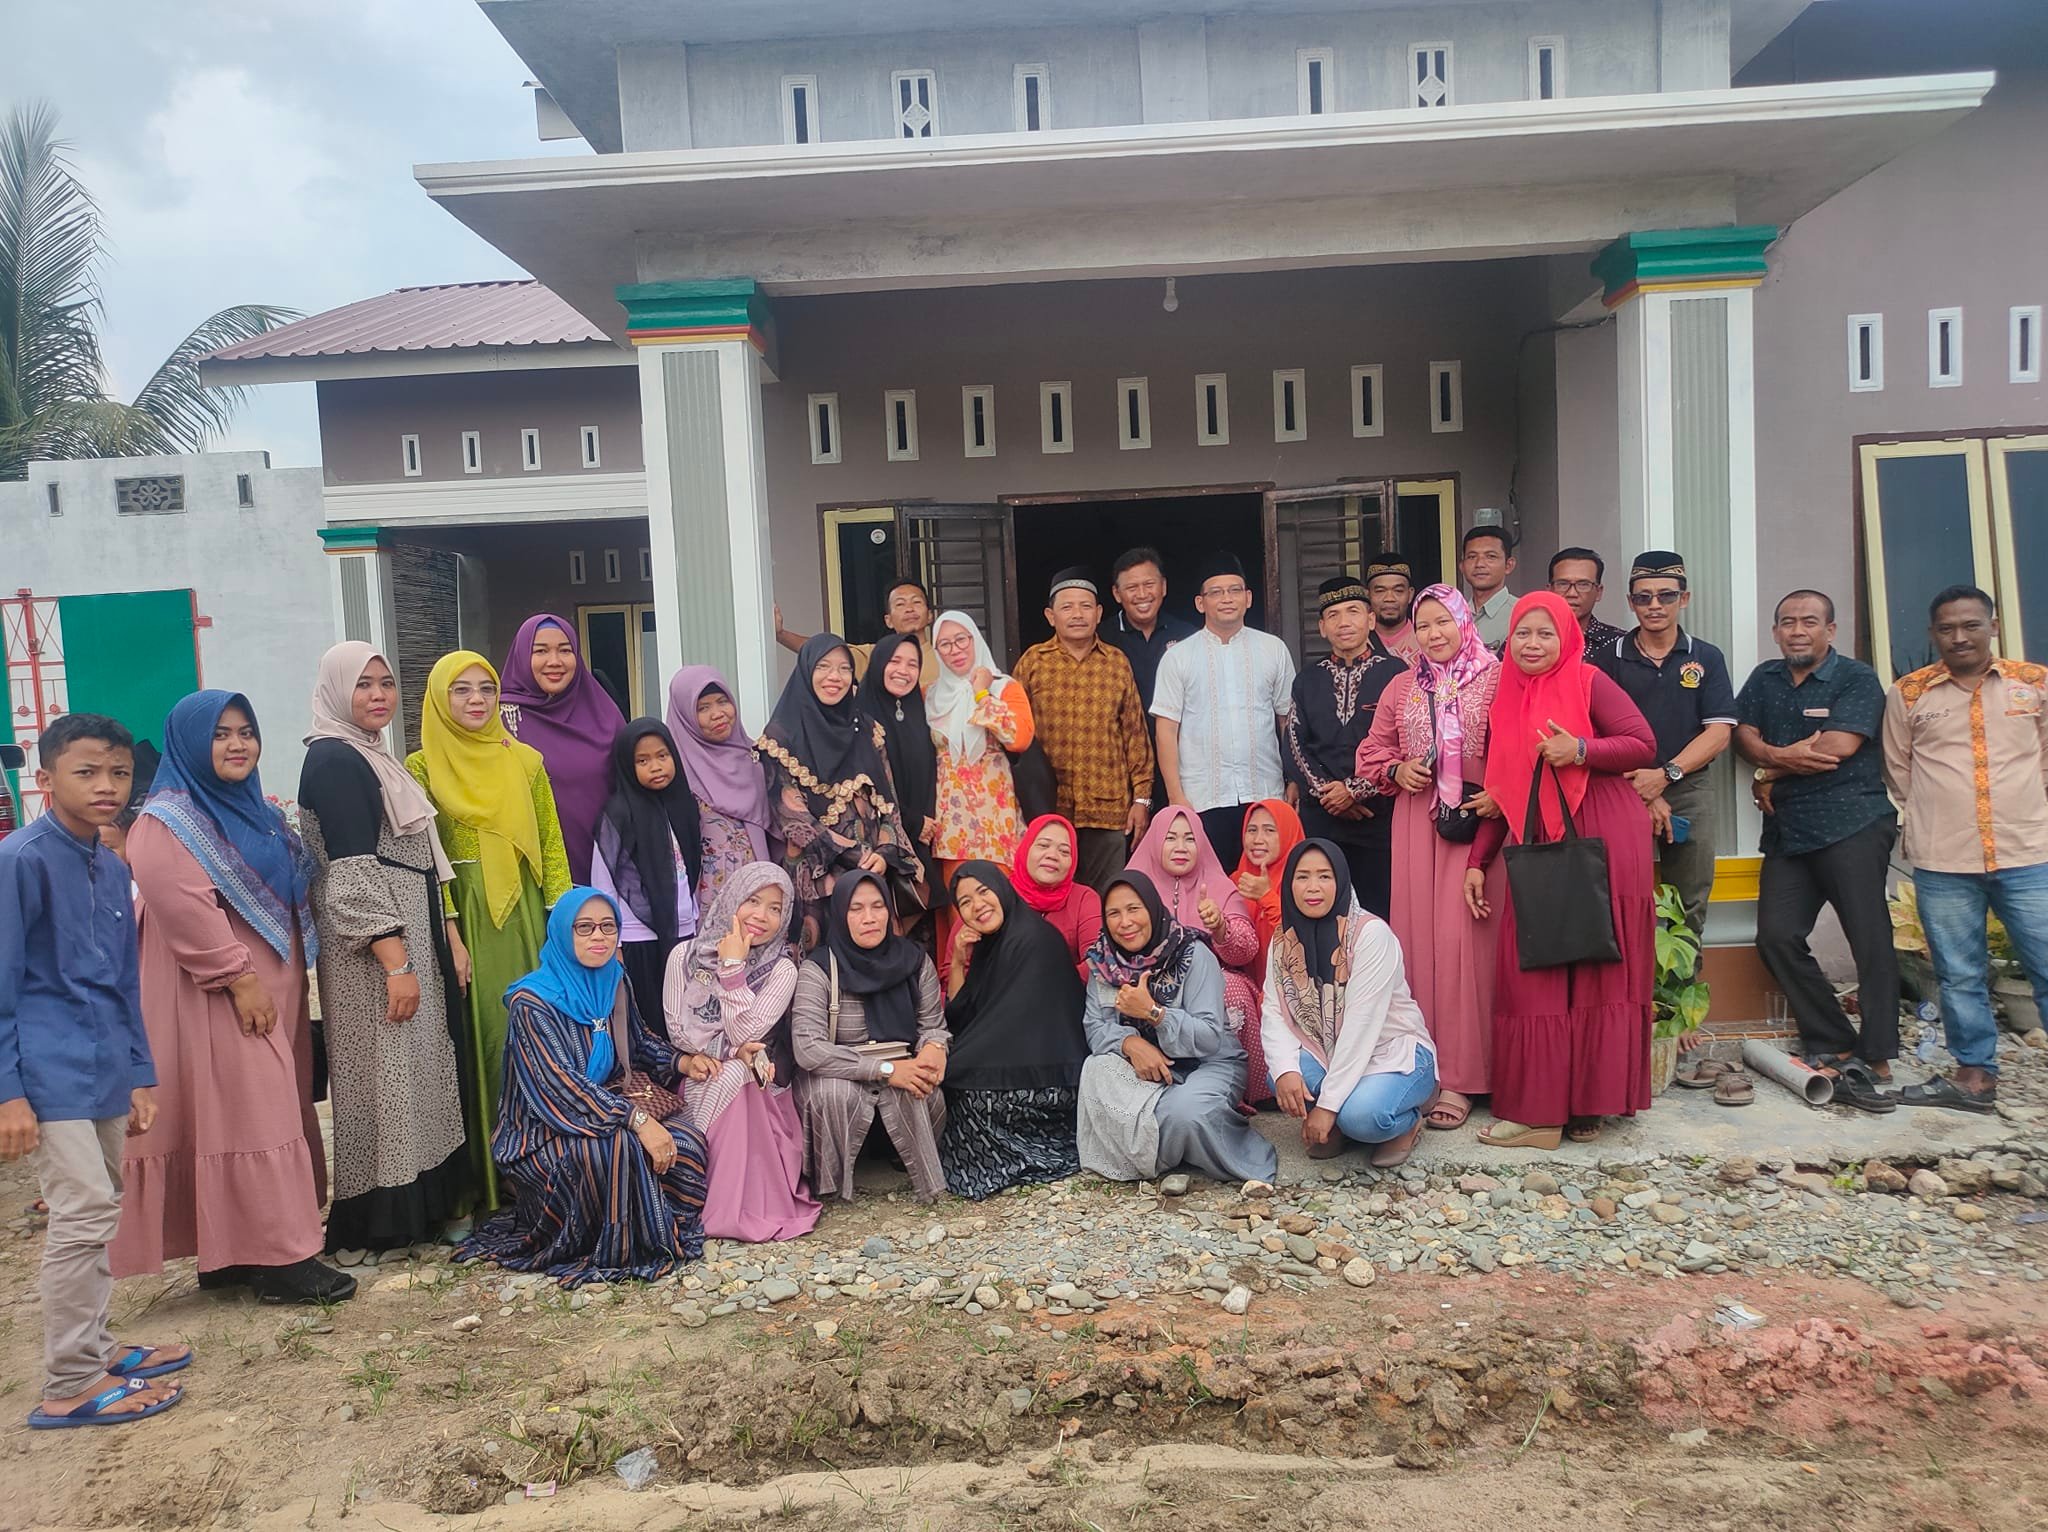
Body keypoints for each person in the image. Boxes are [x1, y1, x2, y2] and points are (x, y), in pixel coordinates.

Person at [111, 691, 352, 1305]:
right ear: (190, 744)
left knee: (239, 1110)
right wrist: (236, 978)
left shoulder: (252, 810)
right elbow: (179, 901)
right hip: (215, 990)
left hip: (265, 986)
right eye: (220, 734)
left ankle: (231, 1252)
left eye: (246, 732)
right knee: (254, 1108)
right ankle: (281, 1258)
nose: (237, 745)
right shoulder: (167, 819)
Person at [1, 712, 189, 1429]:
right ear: (46, 777)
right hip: (46, 1073)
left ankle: (99, 1348)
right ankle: (70, 1382)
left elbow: (121, 981)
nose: (106, 786)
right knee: (80, 1213)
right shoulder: (20, 860)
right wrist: (8, 1093)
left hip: (103, 1065)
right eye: (86, 772)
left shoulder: (111, 864)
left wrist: (139, 1072)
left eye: (119, 773)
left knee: (100, 1207)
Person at [1464, 593, 1659, 1150]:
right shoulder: (1506, 697)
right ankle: (1540, 1114)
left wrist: (1580, 750)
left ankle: (1586, 1106)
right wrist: (1478, 860)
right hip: (1538, 840)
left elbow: (1642, 744)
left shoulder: (1589, 681)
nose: (1532, 644)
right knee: (1536, 975)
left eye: (1545, 633)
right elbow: (1505, 789)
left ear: (1567, 638)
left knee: (1596, 968)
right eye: (1523, 634)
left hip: (1601, 836)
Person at [299, 643, 469, 1252]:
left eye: (386, 683)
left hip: (408, 930)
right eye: (363, 684)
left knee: (415, 1070)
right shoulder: (333, 760)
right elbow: (349, 873)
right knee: (385, 1073)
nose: (378, 695)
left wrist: (446, 935)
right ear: (335, 690)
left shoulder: (373, 756)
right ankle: (380, 1220)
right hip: (373, 951)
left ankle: (422, 1209)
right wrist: (396, 963)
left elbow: (420, 857)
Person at [457, 889, 709, 1285]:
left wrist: (683, 1062)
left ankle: (651, 1222)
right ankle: (618, 1242)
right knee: (615, 1152)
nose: (599, 937)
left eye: (608, 927)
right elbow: (560, 1087)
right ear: (562, 932)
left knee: (687, 1142)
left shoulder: (614, 980)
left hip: (605, 1107)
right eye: (585, 927)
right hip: (544, 1128)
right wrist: (638, 1120)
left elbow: (638, 1040)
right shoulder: (532, 1002)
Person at [409, 651, 572, 1211]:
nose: (476, 699)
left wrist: (562, 929)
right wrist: (450, 930)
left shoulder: (525, 761)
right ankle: (486, 1176)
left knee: (537, 1034)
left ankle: (545, 1170)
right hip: (470, 919)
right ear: (439, 698)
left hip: (526, 915)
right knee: (484, 1038)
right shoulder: (421, 769)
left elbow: (551, 847)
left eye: (486, 688)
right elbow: (426, 860)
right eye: (461, 690)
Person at [1883, 586, 2048, 1116]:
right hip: (1944, 858)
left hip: (2028, 853)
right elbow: (1899, 769)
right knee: (1958, 973)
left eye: (1971, 625)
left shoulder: (2033, 684)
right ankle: (1974, 1075)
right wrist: (1935, 813)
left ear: (1992, 627)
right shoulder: (1910, 693)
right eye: (1947, 628)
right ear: (1933, 634)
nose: (1959, 637)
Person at [1736, 590, 1898, 1110]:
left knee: (1869, 939)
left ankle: (1877, 1053)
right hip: (1789, 831)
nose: (1797, 630)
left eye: (1809, 621)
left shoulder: (1856, 678)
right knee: (1776, 936)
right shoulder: (1764, 678)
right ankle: (1832, 1036)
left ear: (1831, 629)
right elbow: (1742, 735)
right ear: (1775, 631)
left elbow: (1837, 748)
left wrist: (1769, 769)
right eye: (1787, 622)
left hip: (1853, 823)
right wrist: (1771, 757)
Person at [1356, 586, 1504, 1131]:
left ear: (1464, 622)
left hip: (1480, 826)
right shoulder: (1402, 685)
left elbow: (1518, 750)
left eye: (1444, 622)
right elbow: (1370, 752)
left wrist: (1502, 793)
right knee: (1420, 945)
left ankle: (1469, 1075)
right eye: (1424, 625)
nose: (1434, 634)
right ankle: (1426, 1071)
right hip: (1418, 826)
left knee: (1468, 946)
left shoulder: (1497, 679)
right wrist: (1396, 770)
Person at [1078, 871, 1278, 1184]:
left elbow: (1209, 1036)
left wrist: (1154, 1013)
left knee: (1184, 1114)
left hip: (1208, 1062)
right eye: (1113, 913)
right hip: (1142, 1069)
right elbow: (1095, 1025)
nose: (1125, 922)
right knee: (1095, 1068)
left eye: (1134, 909)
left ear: (1152, 908)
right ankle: (1178, 1145)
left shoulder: (1191, 953)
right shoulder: (1105, 962)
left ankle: (1185, 1145)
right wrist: (1131, 1044)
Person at [663, 862, 822, 1241]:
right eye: (753, 900)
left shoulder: (782, 970)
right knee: (730, 1069)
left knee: (736, 1073)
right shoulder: (684, 956)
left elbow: (748, 1031)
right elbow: (679, 1033)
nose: (762, 916)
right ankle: (706, 1192)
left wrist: (733, 969)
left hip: (761, 1095)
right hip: (696, 1078)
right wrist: (733, 1050)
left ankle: (716, 1200)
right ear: (732, 897)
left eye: (775, 908)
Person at [1262, 841, 1439, 1168]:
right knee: (1282, 1076)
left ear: (1341, 881)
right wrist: (1285, 1069)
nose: (1313, 887)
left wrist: (1327, 1107)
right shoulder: (1283, 940)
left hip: (1390, 1052)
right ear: (1288, 884)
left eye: (1324, 876)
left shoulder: (1370, 935)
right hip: (1329, 1052)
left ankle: (1405, 1123)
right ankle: (1339, 1122)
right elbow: (1273, 1011)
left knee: (1363, 1118)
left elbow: (1361, 1027)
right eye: (1302, 877)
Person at [1592, 552, 1738, 951]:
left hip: (1689, 787)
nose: (1654, 605)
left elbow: (1719, 731)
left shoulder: (1705, 657)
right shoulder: (1608, 659)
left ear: (1683, 599)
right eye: (1644, 597)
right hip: (1624, 787)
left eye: (1666, 596)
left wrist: (1665, 776)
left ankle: (1682, 990)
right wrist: (1645, 788)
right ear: (1630, 602)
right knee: (1623, 896)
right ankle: (1635, 988)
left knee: (1689, 900)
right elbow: (1599, 732)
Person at [791, 872, 950, 1202]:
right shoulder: (819, 969)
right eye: (856, 908)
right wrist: (885, 1070)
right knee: (833, 1094)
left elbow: (933, 1025)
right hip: (839, 1070)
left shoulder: (914, 961)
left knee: (920, 1088)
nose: (869, 918)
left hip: (901, 1064)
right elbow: (808, 1048)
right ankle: (835, 1183)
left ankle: (909, 1167)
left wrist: (934, 1047)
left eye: (878, 906)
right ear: (840, 914)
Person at [757, 634, 920, 953]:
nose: (835, 677)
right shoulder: (781, 737)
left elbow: (889, 804)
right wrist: (854, 855)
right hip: (818, 881)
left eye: (844, 668)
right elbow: (793, 818)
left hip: (872, 877)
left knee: (877, 959)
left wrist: (885, 853)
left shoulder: (868, 730)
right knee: (823, 966)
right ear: (806, 671)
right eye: (824, 667)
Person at [939, 862, 1089, 1199]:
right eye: (965, 902)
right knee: (951, 1078)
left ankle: (1032, 1159)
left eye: (983, 892)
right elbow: (962, 1014)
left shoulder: (1033, 940)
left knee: (966, 1091)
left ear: (1002, 890)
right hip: (1018, 1065)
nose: (977, 905)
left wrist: (953, 1064)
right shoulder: (992, 944)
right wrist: (960, 960)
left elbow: (1007, 1023)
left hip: (1052, 1080)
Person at [1151, 553, 1297, 872]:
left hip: (1264, 792)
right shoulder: (1178, 657)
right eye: (1216, 592)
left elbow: (1287, 720)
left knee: (1265, 880)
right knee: (1209, 884)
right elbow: (1166, 730)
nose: (1227, 599)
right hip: (1202, 797)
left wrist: (1293, 779)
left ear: (1248, 598)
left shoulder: (1273, 649)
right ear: (1200, 603)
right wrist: (1176, 795)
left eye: (1234, 590)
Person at [1011, 569, 1154, 890]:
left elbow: (1135, 735)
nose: (1077, 614)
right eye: (1067, 607)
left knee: (1107, 898)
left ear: (1099, 613)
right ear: (1051, 616)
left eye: (1086, 606)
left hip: (1109, 809)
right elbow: (1012, 732)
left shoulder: (1116, 663)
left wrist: (1142, 800)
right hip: (1049, 809)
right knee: (1051, 896)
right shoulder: (1033, 662)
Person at [1125, 806, 1267, 1099]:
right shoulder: (1134, 885)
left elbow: (1247, 951)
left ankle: (1238, 1089)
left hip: (1209, 982)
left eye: (1190, 839)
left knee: (1233, 989)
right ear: (1155, 840)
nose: (1181, 847)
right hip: (1151, 981)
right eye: (1171, 838)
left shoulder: (1219, 886)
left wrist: (1220, 928)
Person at [1285, 575, 1403, 917]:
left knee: (1379, 912)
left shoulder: (1397, 674)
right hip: (1322, 818)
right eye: (1333, 615)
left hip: (1378, 818)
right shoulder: (1307, 680)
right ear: (1322, 628)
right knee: (1323, 910)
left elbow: (1405, 742)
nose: (1344, 622)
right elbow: (1294, 742)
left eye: (1353, 611)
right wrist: (1330, 794)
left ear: (1371, 619)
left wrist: (1355, 791)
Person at [928, 610, 1035, 941]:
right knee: (960, 916)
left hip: (997, 822)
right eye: (945, 644)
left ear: (975, 639)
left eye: (962, 639)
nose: (955, 650)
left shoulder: (1004, 687)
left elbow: (1019, 738)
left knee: (1000, 907)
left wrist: (981, 693)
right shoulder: (929, 696)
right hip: (951, 827)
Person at [498, 614, 627, 884]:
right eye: (541, 651)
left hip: (604, 865)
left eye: (565, 650)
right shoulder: (502, 720)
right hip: (531, 873)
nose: (554, 661)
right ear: (522, 656)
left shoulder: (604, 713)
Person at [593, 719, 703, 1022]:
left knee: (684, 1016)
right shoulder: (618, 813)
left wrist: (695, 920)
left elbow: (691, 870)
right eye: (642, 760)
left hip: (684, 930)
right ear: (628, 766)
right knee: (650, 1018)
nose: (655, 766)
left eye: (662, 756)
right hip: (638, 936)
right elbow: (604, 884)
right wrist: (614, 941)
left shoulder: (684, 804)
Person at [666, 667, 773, 911]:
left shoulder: (757, 760)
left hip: (759, 891)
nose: (717, 714)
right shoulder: (675, 772)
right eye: (703, 708)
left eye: (723, 701)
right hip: (706, 897)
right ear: (685, 716)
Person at [856, 632, 940, 907]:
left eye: (912, 664)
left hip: (924, 838)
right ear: (879, 663)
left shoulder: (920, 711)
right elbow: (867, 784)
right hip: (881, 844)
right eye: (895, 661)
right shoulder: (859, 717)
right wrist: (912, 822)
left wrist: (926, 822)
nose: (903, 671)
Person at [777, 579, 938, 689]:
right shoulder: (874, 656)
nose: (909, 609)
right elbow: (821, 649)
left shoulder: (945, 657)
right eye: (900, 604)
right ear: (888, 620)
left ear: (930, 615)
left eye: (916, 602)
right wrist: (780, 634)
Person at [1013, 813, 1104, 981]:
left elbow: (1097, 960)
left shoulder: (1084, 899)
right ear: (1025, 848)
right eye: (1043, 845)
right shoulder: (997, 895)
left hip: (1066, 992)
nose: (1053, 855)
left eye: (1064, 851)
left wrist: (1047, 985)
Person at [1107, 547, 1197, 714]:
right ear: (1117, 594)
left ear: (1163, 586)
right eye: (1132, 587)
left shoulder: (1188, 635)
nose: (1142, 594)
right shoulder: (1101, 638)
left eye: (1149, 584)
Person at [1233, 797, 1306, 982]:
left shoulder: (1304, 882)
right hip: (1245, 990)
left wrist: (1267, 897)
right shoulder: (1235, 881)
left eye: (1269, 830)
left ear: (1288, 833)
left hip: (1293, 989)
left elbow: (1303, 943)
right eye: (1252, 830)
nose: (1258, 840)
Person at [1548, 548, 1628, 658]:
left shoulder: (1621, 643)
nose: (1572, 593)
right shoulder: (1531, 640)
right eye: (1563, 584)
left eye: (1583, 584)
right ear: (1549, 590)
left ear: (1598, 592)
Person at [1460, 525, 1519, 648]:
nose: (1479, 564)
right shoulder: (1454, 615)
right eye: (1472, 557)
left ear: (1508, 565)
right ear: (1462, 566)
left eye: (1491, 556)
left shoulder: (1522, 613)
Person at [1364, 554, 1420, 663]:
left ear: (1410, 595)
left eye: (1398, 591)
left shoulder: (1426, 639)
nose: (1389, 598)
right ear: (1368, 595)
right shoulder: (1357, 643)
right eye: (1380, 591)